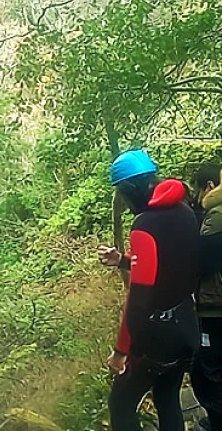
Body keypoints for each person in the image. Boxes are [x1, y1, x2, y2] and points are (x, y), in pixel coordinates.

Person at [98, 150, 200, 431]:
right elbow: (167, 264)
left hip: (157, 338)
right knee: (167, 398)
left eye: (123, 194)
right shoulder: (184, 210)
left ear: (132, 189)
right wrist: (122, 260)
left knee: (120, 404)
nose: (124, 201)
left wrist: (121, 351)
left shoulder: (145, 225)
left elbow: (139, 299)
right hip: (186, 325)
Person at [191, 164, 222, 430]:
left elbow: (203, 261)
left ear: (209, 187)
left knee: (211, 371)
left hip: (215, 307)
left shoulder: (216, 216)